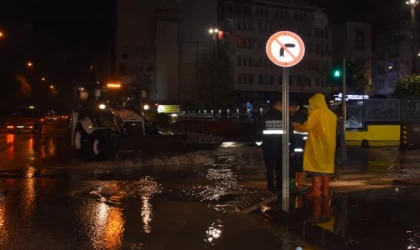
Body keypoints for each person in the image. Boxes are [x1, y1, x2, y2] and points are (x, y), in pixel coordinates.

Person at [292, 93, 337, 198]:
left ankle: (316, 192)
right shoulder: (331, 114)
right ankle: (325, 191)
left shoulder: (316, 113)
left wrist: (296, 126)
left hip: (318, 145)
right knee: (325, 170)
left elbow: (308, 127)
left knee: (316, 169)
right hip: (329, 146)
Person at [258, 99, 284, 194]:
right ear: (278, 106)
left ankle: (270, 187)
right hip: (281, 147)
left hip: (267, 147)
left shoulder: (264, 118)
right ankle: (280, 187)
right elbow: (289, 134)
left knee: (269, 168)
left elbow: (258, 133)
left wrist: (259, 146)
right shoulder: (284, 118)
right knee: (279, 168)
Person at [289, 100, 309, 192]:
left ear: (294, 107)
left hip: (297, 146)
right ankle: (299, 184)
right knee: (300, 165)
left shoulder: (294, 118)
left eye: (290, 107)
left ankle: (297, 185)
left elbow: (293, 135)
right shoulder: (305, 117)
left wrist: (291, 149)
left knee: (296, 165)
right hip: (305, 145)